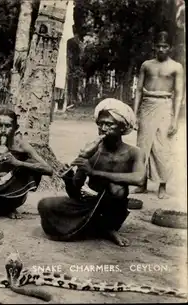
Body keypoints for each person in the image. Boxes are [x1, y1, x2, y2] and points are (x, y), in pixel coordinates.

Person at [38, 98, 146, 247]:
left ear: (122, 127)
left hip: (112, 209)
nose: (103, 128)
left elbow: (139, 179)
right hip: (88, 204)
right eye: (100, 124)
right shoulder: (92, 152)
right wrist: (68, 179)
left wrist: (94, 172)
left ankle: (109, 228)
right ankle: (96, 228)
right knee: (45, 204)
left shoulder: (134, 152)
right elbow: (75, 193)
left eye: (108, 124)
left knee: (117, 189)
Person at [133, 31, 185, 199]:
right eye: (159, 46)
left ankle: (162, 185)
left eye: (165, 46)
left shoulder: (176, 67)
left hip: (165, 106)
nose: (161, 49)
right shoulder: (146, 65)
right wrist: (135, 114)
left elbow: (178, 94)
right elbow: (139, 90)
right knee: (142, 145)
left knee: (163, 147)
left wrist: (175, 120)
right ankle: (142, 183)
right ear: (154, 47)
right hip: (147, 105)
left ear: (170, 48)